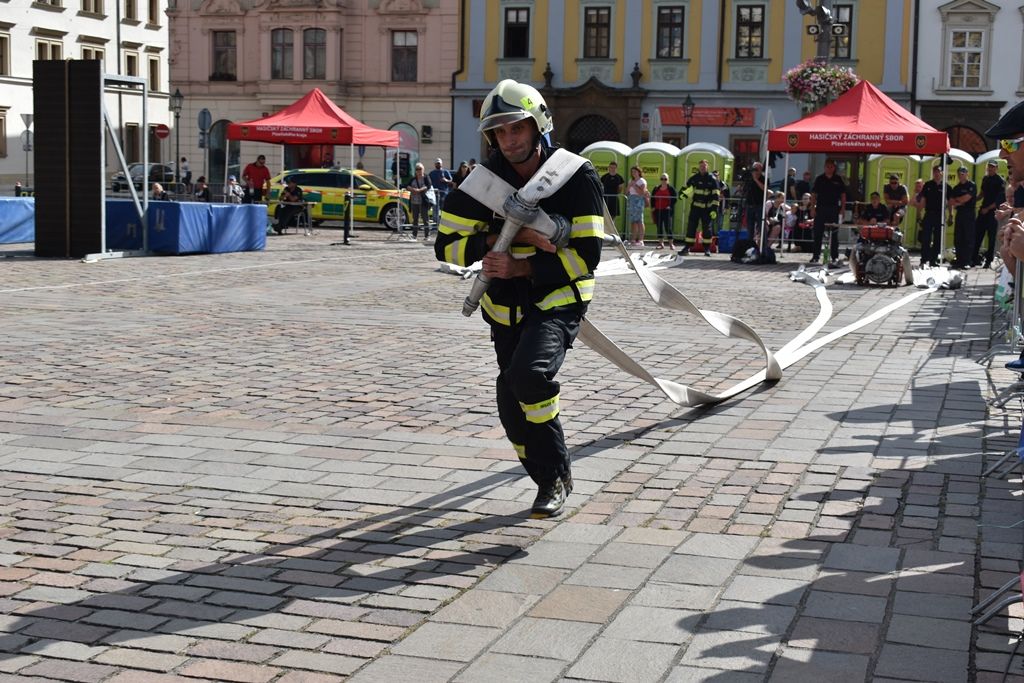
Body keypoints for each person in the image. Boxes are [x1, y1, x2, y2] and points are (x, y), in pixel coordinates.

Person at [433, 79, 604, 517]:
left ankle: (552, 479)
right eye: (500, 132)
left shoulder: (575, 175)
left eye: (517, 128)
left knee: (529, 377)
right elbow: (446, 245)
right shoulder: (481, 183)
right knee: (512, 408)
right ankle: (551, 475)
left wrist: (524, 265)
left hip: (558, 297)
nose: (509, 140)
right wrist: (499, 238)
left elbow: (586, 256)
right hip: (503, 306)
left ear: (537, 126)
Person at [810, 159, 847, 266]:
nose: (829, 168)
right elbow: (814, 195)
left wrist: (843, 209)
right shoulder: (819, 179)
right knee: (818, 233)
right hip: (821, 209)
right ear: (824, 167)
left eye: (831, 167)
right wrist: (812, 208)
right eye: (827, 166)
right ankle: (815, 256)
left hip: (834, 209)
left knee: (834, 234)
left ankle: (834, 257)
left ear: (834, 168)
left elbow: (843, 195)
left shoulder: (838, 179)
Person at [683, 159, 719, 256]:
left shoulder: (712, 179)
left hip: (707, 208)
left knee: (707, 229)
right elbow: (689, 189)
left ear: (707, 167)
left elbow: (716, 195)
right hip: (695, 207)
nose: (703, 168)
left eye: (704, 166)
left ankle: (707, 249)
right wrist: (683, 194)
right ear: (699, 167)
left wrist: (714, 209)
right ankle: (687, 247)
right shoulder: (694, 178)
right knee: (691, 227)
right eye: (701, 166)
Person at [975, 160, 1006, 268]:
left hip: (992, 212)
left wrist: (988, 209)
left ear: (996, 168)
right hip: (983, 210)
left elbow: (1000, 200)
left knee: (991, 237)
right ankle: (974, 259)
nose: (990, 169)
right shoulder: (985, 179)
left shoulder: (1000, 181)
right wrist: (974, 199)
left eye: (993, 167)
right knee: (978, 234)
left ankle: (988, 261)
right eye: (989, 167)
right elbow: (982, 193)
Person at [917, 166, 950, 267]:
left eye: (938, 172)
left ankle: (933, 260)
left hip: (940, 215)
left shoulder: (945, 186)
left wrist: (951, 215)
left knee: (937, 239)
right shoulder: (928, 185)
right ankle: (924, 259)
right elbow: (923, 200)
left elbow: (950, 201)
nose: (936, 174)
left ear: (942, 173)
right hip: (929, 214)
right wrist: (919, 214)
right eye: (934, 172)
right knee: (925, 238)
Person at [948, 166, 977, 269]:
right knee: (958, 237)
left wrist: (958, 201)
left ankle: (967, 261)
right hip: (960, 214)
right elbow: (950, 202)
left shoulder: (971, 185)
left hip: (969, 214)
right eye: (960, 174)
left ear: (967, 174)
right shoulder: (956, 188)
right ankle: (959, 260)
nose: (961, 176)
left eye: (963, 173)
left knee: (968, 238)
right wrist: (959, 202)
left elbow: (966, 198)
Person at [407, 162, 433, 241]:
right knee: (415, 219)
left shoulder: (426, 177)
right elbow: (407, 185)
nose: (418, 171)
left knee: (425, 219)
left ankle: (427, 235)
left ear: (423, 169)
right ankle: (414, 235)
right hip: (414, 201)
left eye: (420, 169)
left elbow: (428, 185)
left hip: (423, 201)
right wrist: (412, 189)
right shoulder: (413, 178)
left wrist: (419, 190)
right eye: (417, 169)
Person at [651, 173, 677, 250]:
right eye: (662, 179)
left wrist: (670, 206)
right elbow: (652, 198)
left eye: (665, 179)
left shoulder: (671, 189)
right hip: (658, 210)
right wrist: (652, 207)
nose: (663, 180)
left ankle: (671, 244)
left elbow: (674, 198)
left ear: (668, 180)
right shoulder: (656, 188)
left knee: (668, 227)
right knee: (659, 227)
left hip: (667, 210)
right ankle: (661, 243)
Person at [626, 165, 649, 247]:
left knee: (639, 221)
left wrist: (635, 185)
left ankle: (641, 240)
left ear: (639, 172)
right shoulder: (631, 180)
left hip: (639, 201)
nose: (633, 173)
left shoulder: (642, 181)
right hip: (632, 201)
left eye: (635, 172)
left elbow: (642, 193)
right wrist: (630, 185)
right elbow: (626, 192)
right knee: (633, 221)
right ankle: (633, 239)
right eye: (632, 172)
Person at [428, 158, 454, 225]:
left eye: (439, 163)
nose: (438, 164)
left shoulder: (445, 172)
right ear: (435, 164)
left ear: (441, 164)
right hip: (435, 194)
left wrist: (446, 180)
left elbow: (452, 181)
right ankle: (435, 225)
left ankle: (445, 224)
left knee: (444, 210)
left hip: (444, 194)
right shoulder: (432, 173)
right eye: (437, 163)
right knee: (435, 210)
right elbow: (428, 183)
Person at [743, 162, 766, 239]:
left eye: (757, 169)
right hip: (749, 205)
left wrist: (756, 179)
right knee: (750, 226)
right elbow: (745, 189)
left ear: (760, 170)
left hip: (759, 205)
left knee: (761, 226)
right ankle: (750, 244)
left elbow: (765, 189)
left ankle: (762, 245)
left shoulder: (763, 178)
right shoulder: (749, 178)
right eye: (754, 169)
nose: (755, 171)